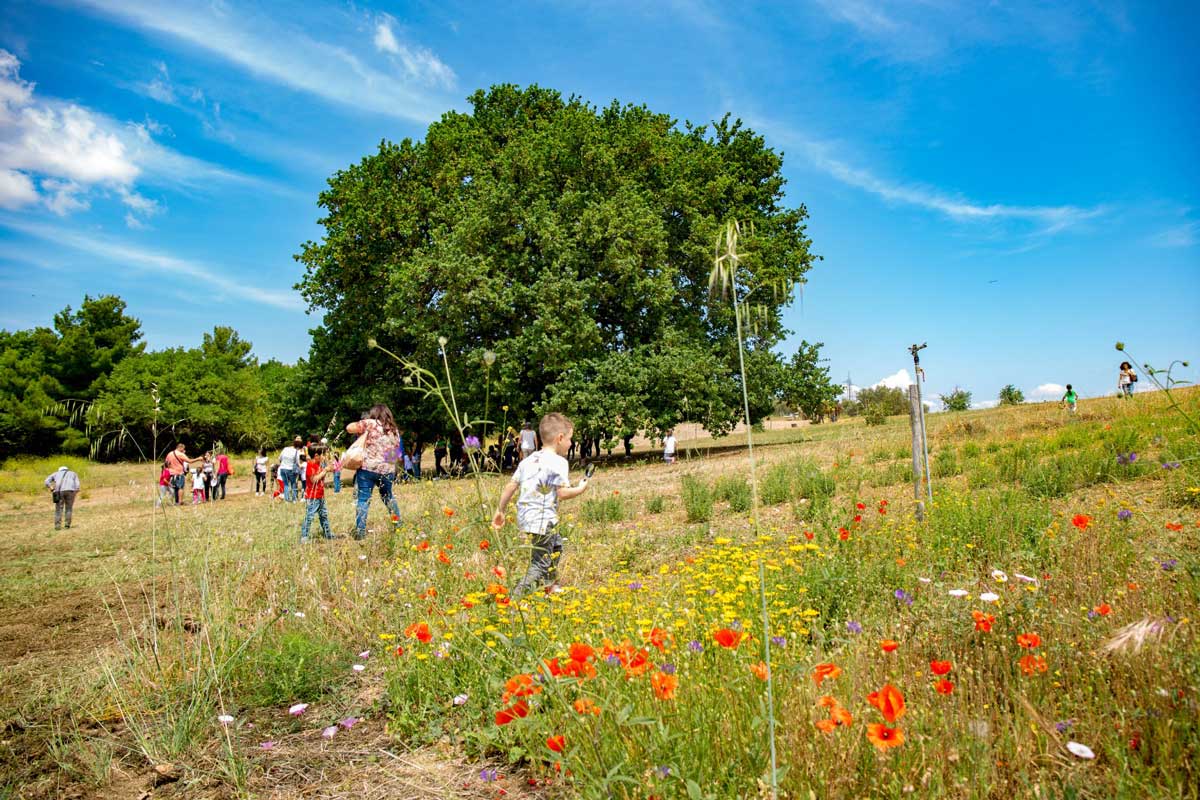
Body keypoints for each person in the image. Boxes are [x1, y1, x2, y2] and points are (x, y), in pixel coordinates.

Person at [491, 413, 591, 598]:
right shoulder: (559, 462)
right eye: (570, 439)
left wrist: (500, 510)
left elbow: (511, 485)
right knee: (540, 563)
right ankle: (515, 598)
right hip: (543, 519)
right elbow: (562, 493)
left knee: (556, 546)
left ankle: (550, 586)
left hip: (527, 517)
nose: (571, 443)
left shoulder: (527, 461)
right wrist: (580, 489)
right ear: (560, 438)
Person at [345, 404, 403, 540]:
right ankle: (398, 525)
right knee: (388, 497)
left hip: (368, 468)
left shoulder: (370, 423)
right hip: (387, 470)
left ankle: (360, 532)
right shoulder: (394, 430)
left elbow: (349, 428)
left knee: (363, 499)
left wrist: (362, 427)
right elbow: (395, 454)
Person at [300, 445, 334, 543]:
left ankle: (328, 534)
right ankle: (304, 537)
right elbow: (314, 479)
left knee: (324, 515)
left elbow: (331, 469)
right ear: (316, 455)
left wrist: (329, 466)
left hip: (320, 495)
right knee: (309, 516)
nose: (324, 457)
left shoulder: (319, 464)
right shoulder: (310, 465)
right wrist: (325, 471)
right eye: (323, 455)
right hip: (312, 497)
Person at [44, 465, 81, 530]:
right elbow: (77, 484)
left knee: (58, 509)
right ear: (67, 469)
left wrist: (51, 487)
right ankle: (67, 525)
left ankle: (57, 526)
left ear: (59, 470)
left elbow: (46, 481)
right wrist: (76, 491)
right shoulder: (73, 473)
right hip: (70, 491)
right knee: (69, 508)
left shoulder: (56, 473)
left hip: (59, 492)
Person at [279, 437, 302, 502]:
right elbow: (297, 462)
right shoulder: (296, 451)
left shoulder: (285, 449)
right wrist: (300, 466)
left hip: (282, 468)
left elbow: (280, 458)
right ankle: (294, 499)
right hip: (290, 469)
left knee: (286, 484)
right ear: (298, 447)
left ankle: (287, 499)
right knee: (293, 484)